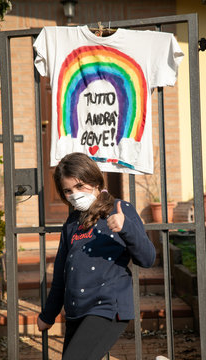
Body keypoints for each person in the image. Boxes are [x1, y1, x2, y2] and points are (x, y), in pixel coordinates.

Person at [37, 152, 156, 360]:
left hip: (108, 306)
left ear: (95, 181)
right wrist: (49, 314)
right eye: (68, 190)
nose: (74, 194)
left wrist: (125, 227)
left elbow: (147, 258)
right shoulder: (72, 222)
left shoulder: (120, 209)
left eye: (80, 186)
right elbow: (60, 273)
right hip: (76, 310)